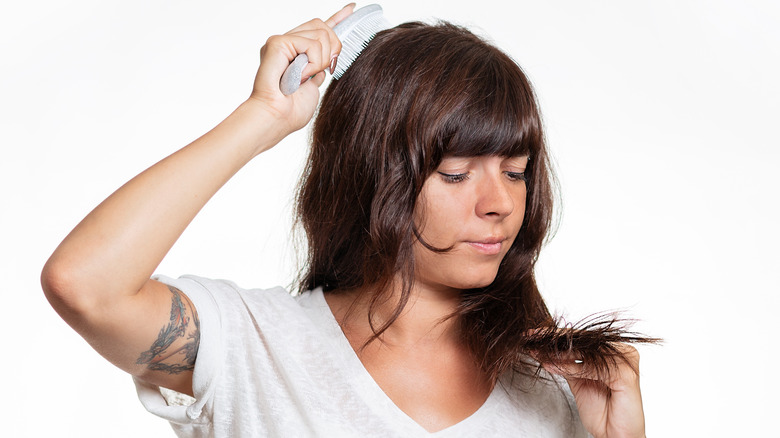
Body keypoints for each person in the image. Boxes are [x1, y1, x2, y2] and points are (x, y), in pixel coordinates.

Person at [42, 4, 655, 437]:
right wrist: (265, 116)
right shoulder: (252, 347)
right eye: (455, 173)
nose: (499, 202)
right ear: (373, 176)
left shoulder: (553, 386)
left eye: (516, 171)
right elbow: (85, 285)